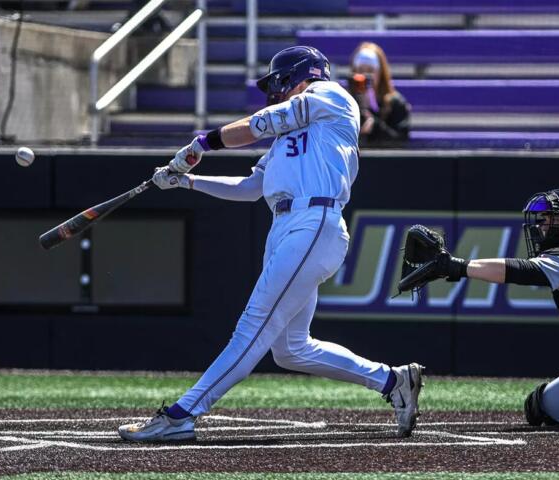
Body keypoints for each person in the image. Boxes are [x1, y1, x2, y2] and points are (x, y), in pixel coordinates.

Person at [118, 46, 424, 442]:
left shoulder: (329, 95)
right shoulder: (288, 136)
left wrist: (201, 144)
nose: (273, 91)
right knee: (290, 348)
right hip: (286, 227)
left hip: (315, 221)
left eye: (277, 83)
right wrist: (187, 181)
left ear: (294, 76)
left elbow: (262, 122)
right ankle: (393, 381)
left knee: (252, 328)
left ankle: (182, 414)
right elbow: (250, 188)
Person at [399, 186, 559, 434]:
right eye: (544, 218)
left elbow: (519, 270)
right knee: (539, 407)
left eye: (552, 218)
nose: (544, 224)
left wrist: (456, 267)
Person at [347, 42, 410, 148]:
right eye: (361, 70)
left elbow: (401, 140)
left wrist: (376, 125)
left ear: (380, 72)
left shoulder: (396, 102)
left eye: (371, 70)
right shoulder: (346, 102)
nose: (365, 76)